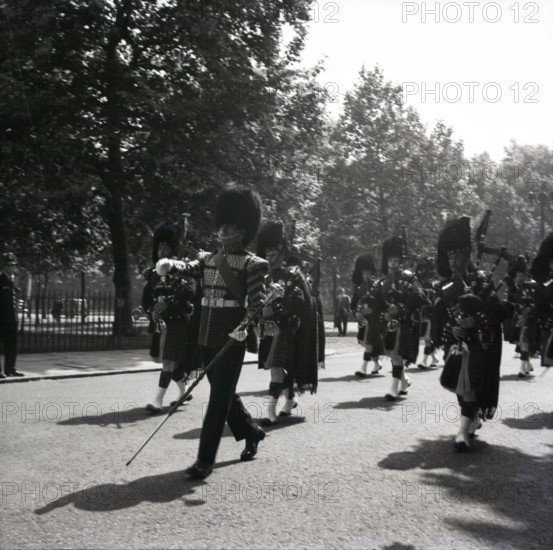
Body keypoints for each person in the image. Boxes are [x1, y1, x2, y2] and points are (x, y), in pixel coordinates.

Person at [156, 185, 268, 479]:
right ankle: (252, 431)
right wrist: (170, 265)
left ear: (243, 231)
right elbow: (189, 267)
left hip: (232, 338)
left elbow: (256, 304)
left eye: (230, 227)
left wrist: (245, 328)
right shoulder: (208, 259)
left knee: (218, 401)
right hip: (205, 335)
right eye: (222, 227)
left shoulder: (254, 264)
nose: (223, 232)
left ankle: (204, 460)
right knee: (225, 394)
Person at [435, 216, 508, 452]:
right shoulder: (445, 287)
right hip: (457, 343)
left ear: (467, 253)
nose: (452, 259)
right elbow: (443, 319)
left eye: (456, 254)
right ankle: (471, 418)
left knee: (470, 388)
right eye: (449, 255)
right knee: (462, 388)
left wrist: (475, 319)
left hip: (479, 343)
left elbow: (496, 313)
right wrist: (452, 328)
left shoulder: (482, 280)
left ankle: (461, 432)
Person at [257, 221, 319, 425]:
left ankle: (270, 411)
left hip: (285, 329)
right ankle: (290, 399)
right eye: (267, 251)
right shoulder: (263, 277)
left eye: (273, 251)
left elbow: (300, 303)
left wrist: (278, 306)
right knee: (276, 369)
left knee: (276, 369)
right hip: (267, 329)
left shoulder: (292, 275)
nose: (269, 255)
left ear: (282, 252)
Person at [143, 222, 200, 413]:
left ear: (172, 248)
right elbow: (146, 298)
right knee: (171, 362)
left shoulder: (181, 269)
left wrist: (168, 302)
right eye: (159, 246)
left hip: (177, 321)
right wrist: (152, 309)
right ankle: (184, 391)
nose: (161, 249)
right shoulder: (153, 274)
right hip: (161, 323)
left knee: (168, 361)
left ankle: (157, 401)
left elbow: (190, 292)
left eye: (165, 246)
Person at [370, 236, 425, 400]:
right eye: (390, 260)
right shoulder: (382, 282)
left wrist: (401, 308)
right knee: (394, 355)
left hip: (406, 322)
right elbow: (378, 305)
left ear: (401, 261)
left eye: (395, 260)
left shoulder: (410, 278)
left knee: (396, 354)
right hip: (390, 324)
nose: (392, 263)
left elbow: (421, 298)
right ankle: (405, 380)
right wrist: (384, 314)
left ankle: (393, 388)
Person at [503, 255, 539, 378]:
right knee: (522, 343)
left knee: (525, 342)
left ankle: (522, 368)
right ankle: (527, 364)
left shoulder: (532, 286)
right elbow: (512, 304)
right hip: (519, 319)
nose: (519, 278)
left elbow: (537, 301)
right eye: (517, 276)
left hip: (531, 319)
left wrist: (529, 309)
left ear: (525, 276)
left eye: (521, 276)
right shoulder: (514, 289)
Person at [350, 254, 383, 377]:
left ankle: (363, 368)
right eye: (364, 273)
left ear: (372, 272)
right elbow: (353, 304)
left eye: (368, 272)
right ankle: (377, 363)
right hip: (364, 319)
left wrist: (372, 309)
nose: (366, 275)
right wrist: (356, 313)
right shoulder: (360, 288)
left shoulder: (377, 285)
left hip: (375, 318)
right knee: (367, 343)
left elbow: (381, 303)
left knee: (369, 342)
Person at [0, 252, 24, 378]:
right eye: (8, 265)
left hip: (11, 318)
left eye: (13, 265)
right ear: (3, 266)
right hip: (1, 318)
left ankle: (10, 368)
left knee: (12, 345)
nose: (11, 268)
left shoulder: (13, 281)